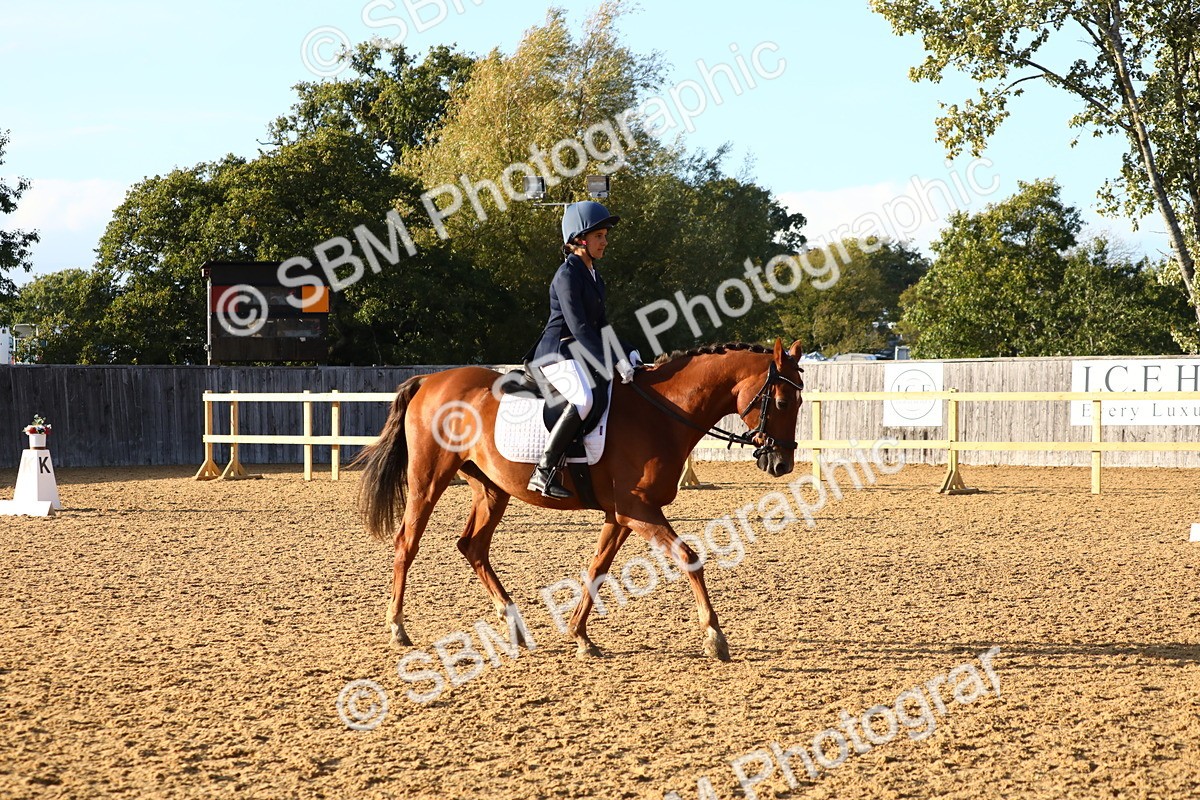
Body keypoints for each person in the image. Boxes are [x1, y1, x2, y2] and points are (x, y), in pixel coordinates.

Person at [523, 201, 641, 499]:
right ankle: (544, 470)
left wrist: (628, 351)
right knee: (583, 398)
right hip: (556, 352)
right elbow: (579, 328)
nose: (605, 241)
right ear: (579, 239)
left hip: (577, 351)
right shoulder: (567, 275)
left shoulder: (594, 275)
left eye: (605, 235)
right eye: (599, 236)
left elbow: (602, 325)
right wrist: (611, 358)